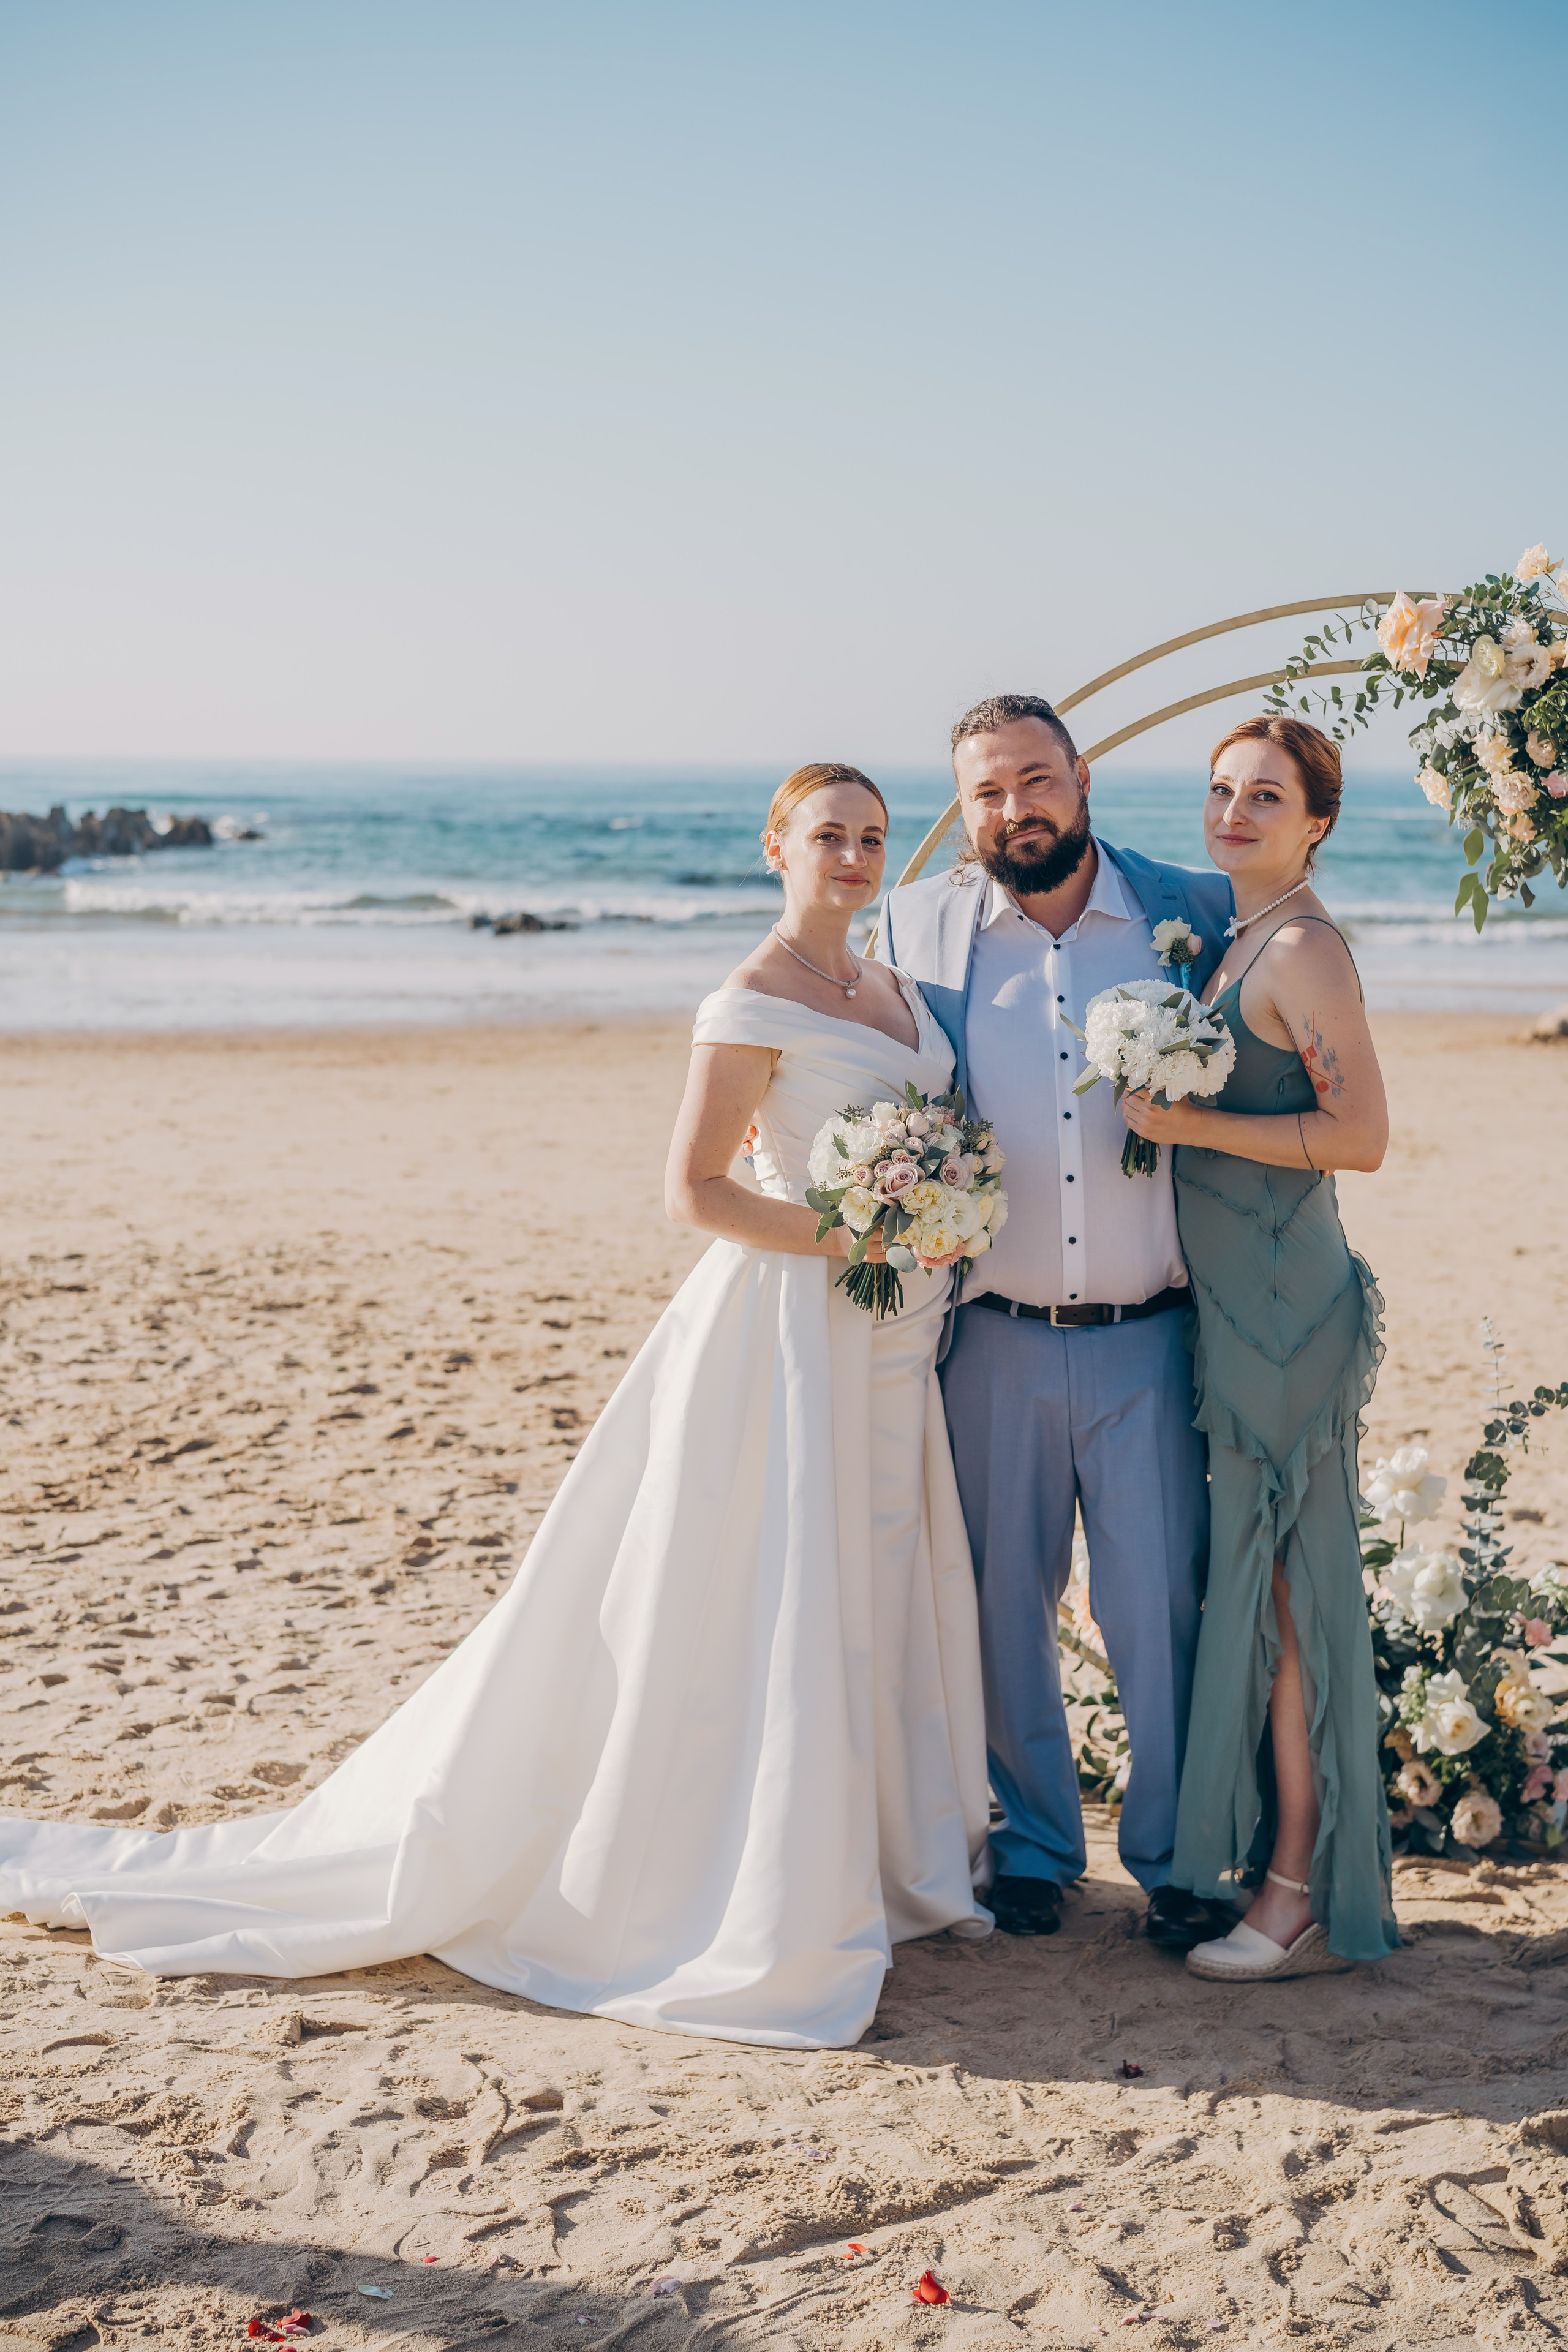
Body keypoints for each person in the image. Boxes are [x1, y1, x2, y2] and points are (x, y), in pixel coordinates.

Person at [0, 763, 992, 2049]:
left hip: (890, 1341)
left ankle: (873, 1857)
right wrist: (853, 1232)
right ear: (775, 848)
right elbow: (694, 1190)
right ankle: (747, 1876)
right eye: (826, 837)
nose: (852, 857)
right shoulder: (746, 999)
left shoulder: (897, 989)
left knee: (868, 1573)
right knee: (765, 1585)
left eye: (866, 839)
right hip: (790, 1326)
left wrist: (931, 1216)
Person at [880, 693, 1235, 1951]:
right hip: (988, 1335)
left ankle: (1178, 1858)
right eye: (986, 790)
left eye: (1034, 779)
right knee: (1001, 1605)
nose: (1014, 807)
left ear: (1081, 779)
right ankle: (1032, 1847)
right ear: (961, 807)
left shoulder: (1186, 909)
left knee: (1157, 1610)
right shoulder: (913, 925)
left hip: (1153, 1330)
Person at [1120, 714, 1399, 1980]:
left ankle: (1293, 1892)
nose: (1232, 812)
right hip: (1233, 1312)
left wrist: (1183, 1124)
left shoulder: (1298, 949)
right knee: (1259, 1591)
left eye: (1264, 795)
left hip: (1289, 1313)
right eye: (1220, 790)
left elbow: (1358, 1139)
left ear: (1316, 821)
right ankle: (1266, 1864)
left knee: (1293, 1604)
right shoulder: (1234, 936)